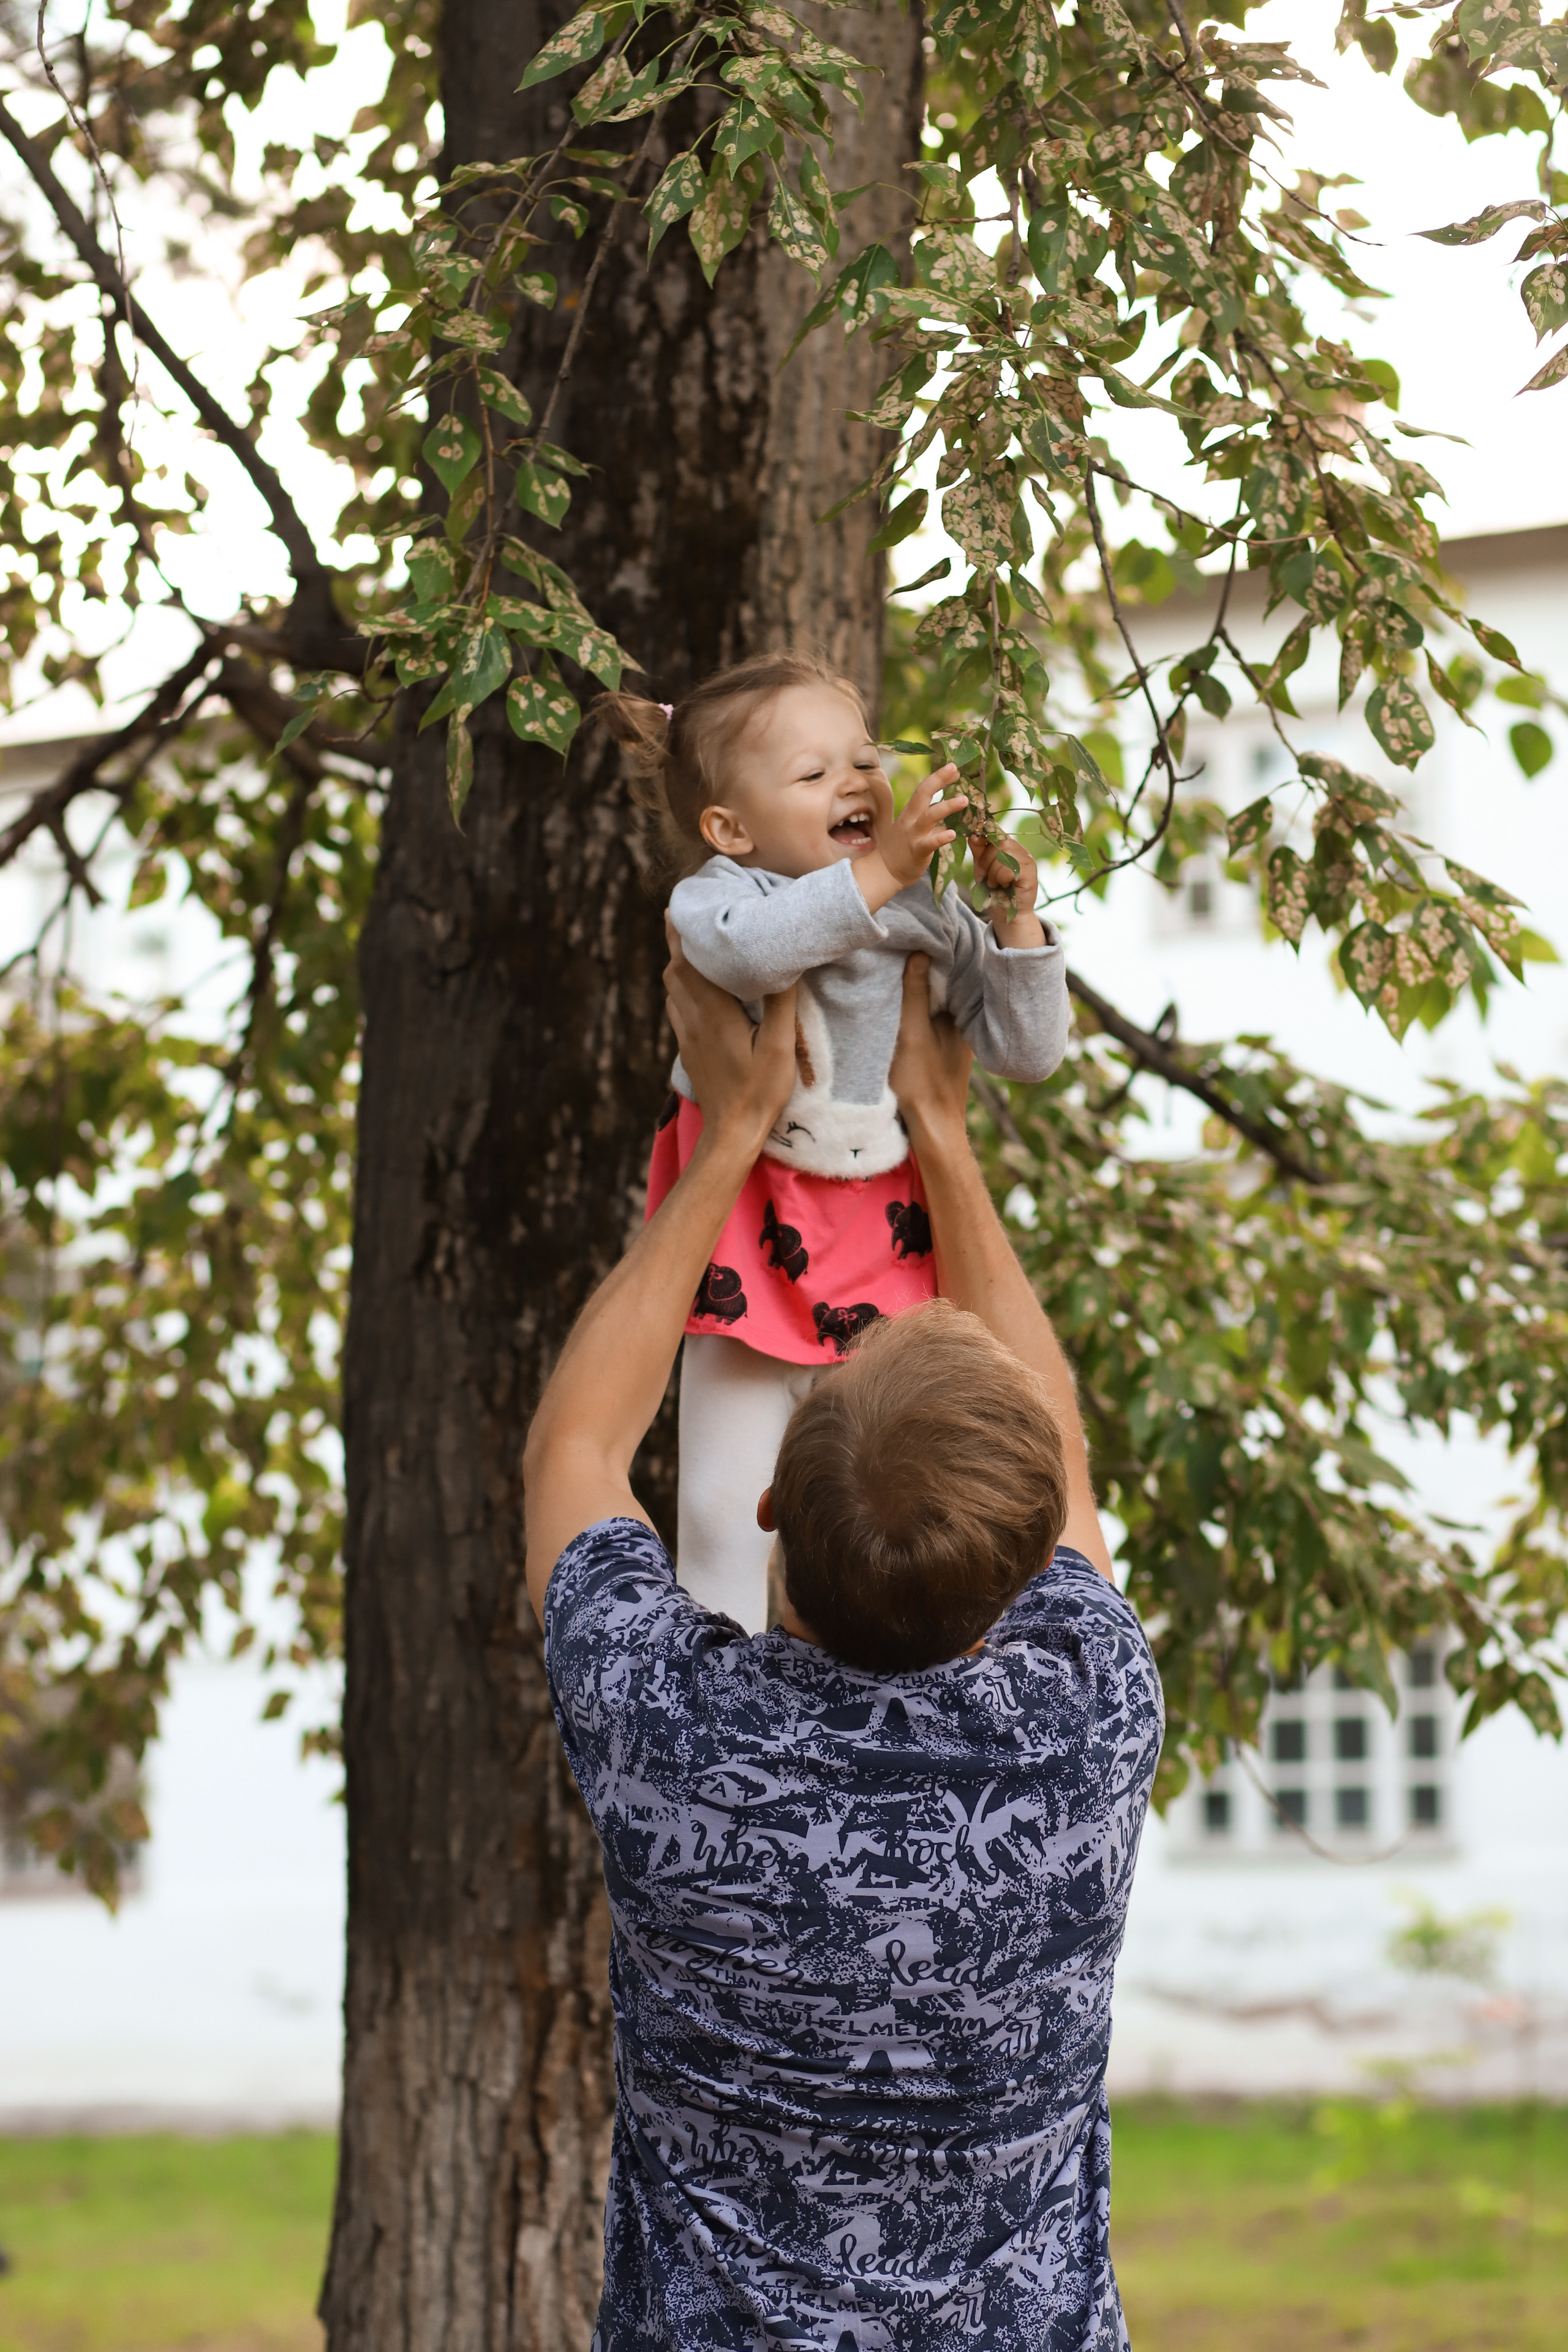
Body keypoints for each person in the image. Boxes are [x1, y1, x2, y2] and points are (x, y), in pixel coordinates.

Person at [523, 937, 1164, 2352]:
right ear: (1023, 1555)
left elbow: (577, 1443)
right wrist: (938, 1127)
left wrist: (733, 1126)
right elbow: (1047, 1441)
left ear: (767, 1505)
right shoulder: (1087, 1721)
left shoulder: (670, 1731)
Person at [599, 656, 1069, 1632]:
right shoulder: (719, 896)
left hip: (883, 1230)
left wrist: (1015, 921)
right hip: (747, 1235)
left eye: (863, 758)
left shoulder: (921, 908)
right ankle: (722, 1692)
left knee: (887, 1494)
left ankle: (908, 1681)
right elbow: (751, 952)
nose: (856, 783)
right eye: (813, 776)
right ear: (730, 828)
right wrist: (883, 869)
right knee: (726, 1514)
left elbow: (1026, 1052)